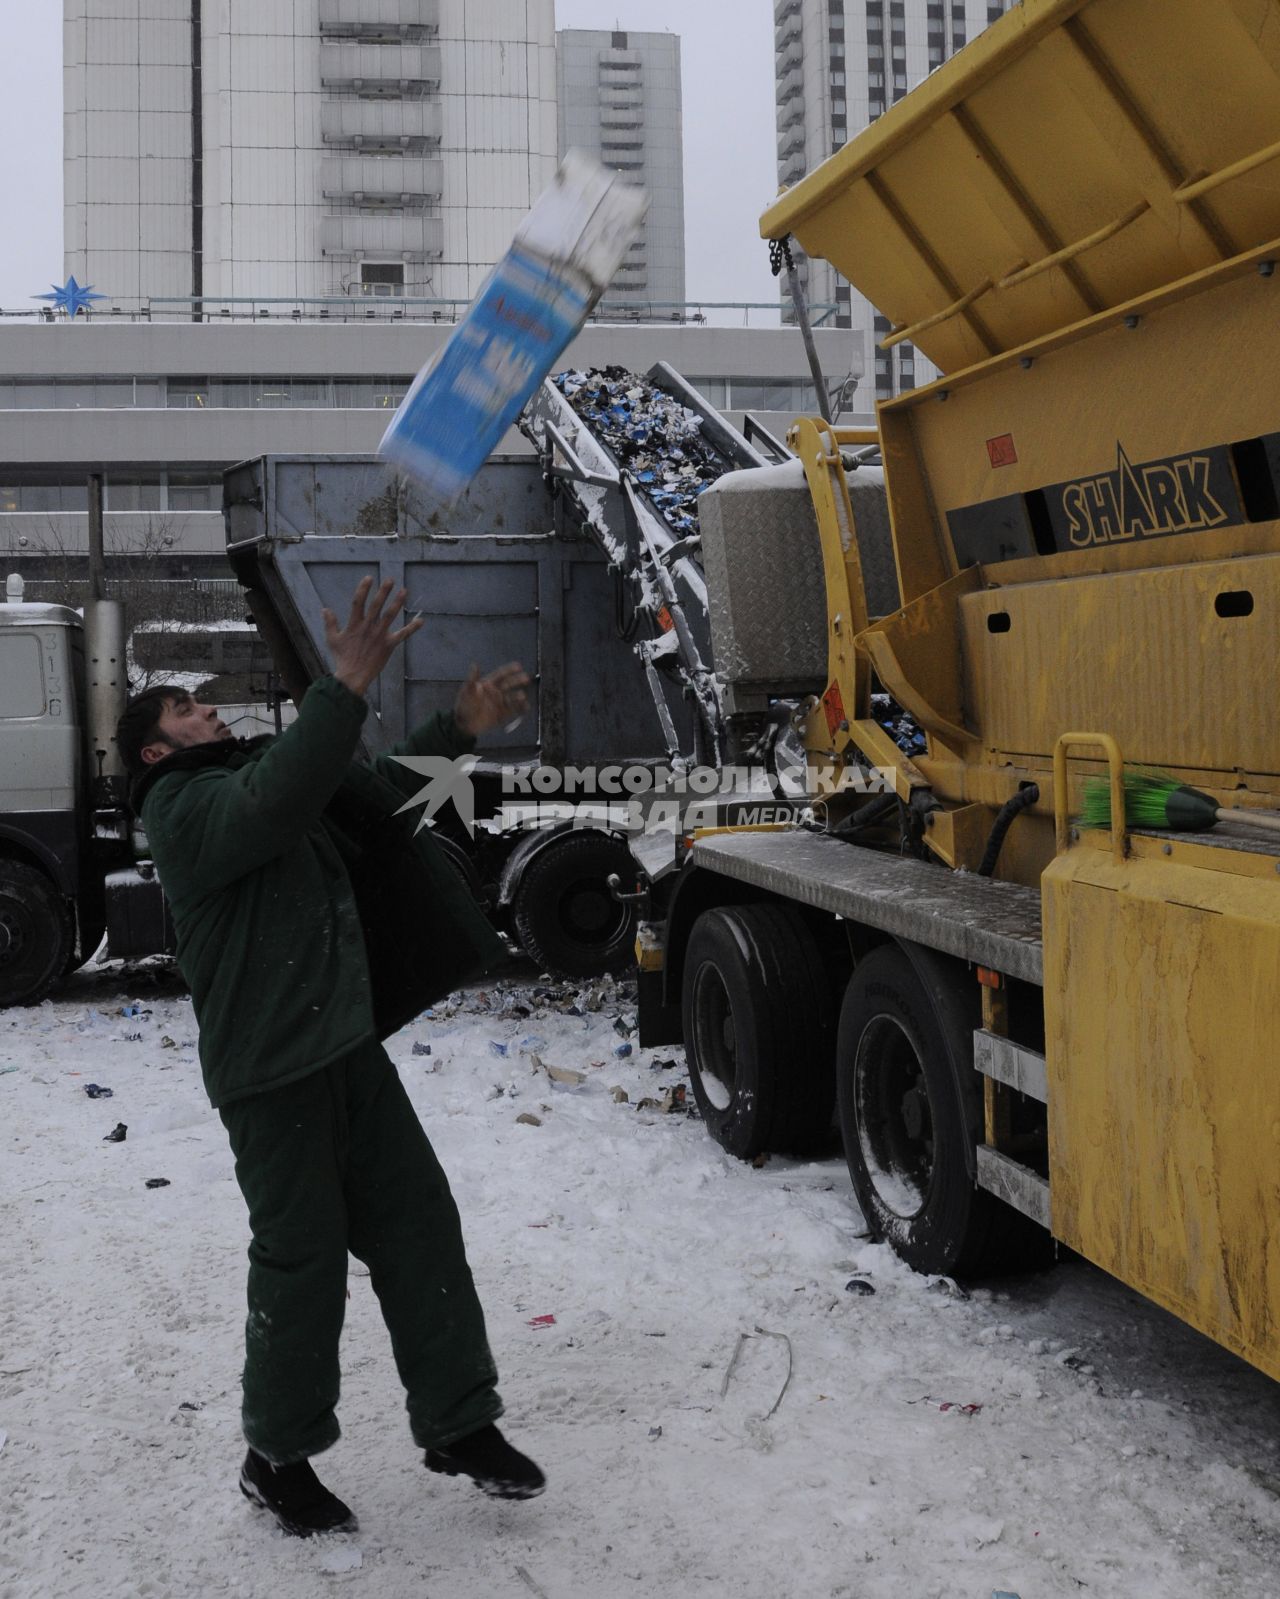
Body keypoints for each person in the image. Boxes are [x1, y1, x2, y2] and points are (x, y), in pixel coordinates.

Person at [116, 577, 544, 1538]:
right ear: (155, 749)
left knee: (420, 1227)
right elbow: (272, 804)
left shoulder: (268, 776)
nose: (205, 706)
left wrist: (458, 724)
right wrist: (341, 685)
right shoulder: (182, 812)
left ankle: (460, 1423)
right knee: (302, 1263)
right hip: (270, 1073)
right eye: (184, 708)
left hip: (344, 1047)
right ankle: (276, 1456)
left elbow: (380, 799)